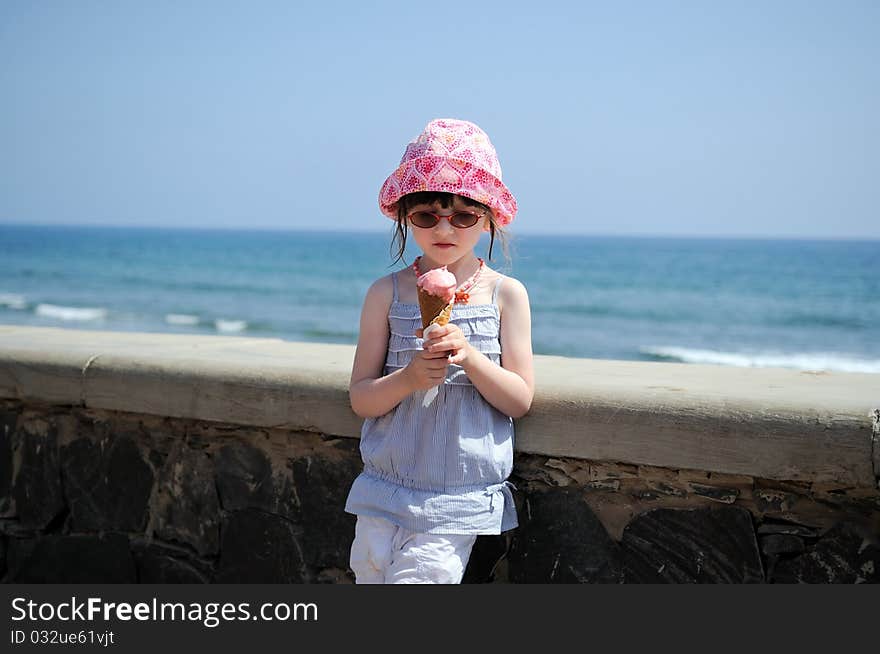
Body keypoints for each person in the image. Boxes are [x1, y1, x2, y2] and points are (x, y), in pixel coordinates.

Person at [345, 118, 534, 584]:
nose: (444, 228)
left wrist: (469, 357)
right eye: (427, 215)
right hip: (384, 487)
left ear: (487, 216)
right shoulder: (385, 294)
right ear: (407, 216)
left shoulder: (506, 295)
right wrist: (408, 378)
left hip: (456, 496)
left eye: (464, 215)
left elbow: (519, 399)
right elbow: (362, 398)